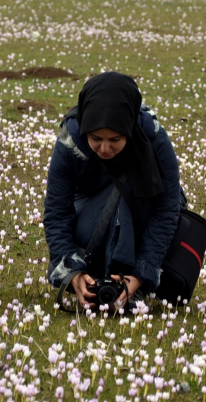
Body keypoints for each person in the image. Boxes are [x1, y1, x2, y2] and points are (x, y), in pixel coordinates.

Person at [44, 71, 186, 310]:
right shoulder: (71, 140)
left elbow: (167, 209)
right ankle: (96, 280)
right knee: (114, 196)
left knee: (129, 184)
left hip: (144, 219)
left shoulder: (154, 139)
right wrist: (72, 272)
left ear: (129, 127)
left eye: (115, 139)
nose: (105, 148)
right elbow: (57, 210)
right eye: (96, 138)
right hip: (90, 223)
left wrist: (142, 273)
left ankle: (128, 282)